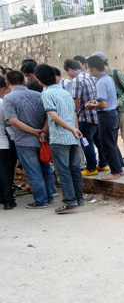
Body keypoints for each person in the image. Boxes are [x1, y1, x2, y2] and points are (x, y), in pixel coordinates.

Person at [34, 64, 84, 213]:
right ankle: (79, 199)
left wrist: (72, 129)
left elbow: (54, 117)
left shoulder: (47, 94)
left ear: (39, 80)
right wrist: (75, 130)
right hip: (72, 137)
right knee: (75, 169)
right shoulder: (65, 92)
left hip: (59, 137)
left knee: (63, 171)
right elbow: (74, 114)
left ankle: (69, 201)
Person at [3, 70, 56, 208]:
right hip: (42, 139)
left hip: (24, 140)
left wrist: (33, 131)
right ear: (24, 82)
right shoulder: (38, 95)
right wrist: (43, 131)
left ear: (7, 83)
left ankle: (41, 201)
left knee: (34, 172)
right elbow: (49, 115)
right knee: (46, 168)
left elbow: (13, 121)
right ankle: (50, 196)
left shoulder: (8, 98)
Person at [64, 58, 109, 176]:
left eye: (67, 73)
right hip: (97, 115)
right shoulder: (91, 77)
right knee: (99, 141)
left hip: (85, 117)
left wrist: (75, 113)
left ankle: (91, 168)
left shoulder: (76, 80)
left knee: (86, 143)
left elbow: (76, 100)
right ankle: (103, 164)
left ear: (70, 70)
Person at [92, 51, 124, 166]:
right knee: (111, 137)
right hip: (108, 111)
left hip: (120, 109)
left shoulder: (116, 73)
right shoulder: (98, 77)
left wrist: (119, 101)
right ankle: (117, 159)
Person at [85, 55, 124, 180]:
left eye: (88, 68)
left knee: (107, 145)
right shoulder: (107, 78)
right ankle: (119, 168)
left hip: (106, 116)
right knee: (112, 143)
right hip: (113, 114)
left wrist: (92, 106)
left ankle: (115, 172)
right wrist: (95, 102)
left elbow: (103, 104)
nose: (88, 71)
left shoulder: (100, 82)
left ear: (94, 68)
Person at [0, 75, 18, 210]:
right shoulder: (2, 103)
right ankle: (8, 201)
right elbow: (8, 122)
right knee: (5, 172)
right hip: (2, 143)